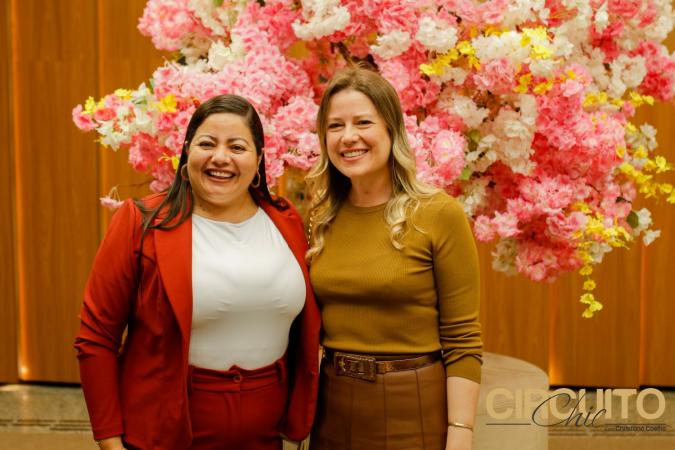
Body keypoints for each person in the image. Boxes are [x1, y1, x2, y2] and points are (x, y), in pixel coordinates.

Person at [75, 94, 320, 450]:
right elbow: (96, 338)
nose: (220, 157)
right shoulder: (141, 222)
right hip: (165, 434)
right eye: (207, 144)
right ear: (187, 152)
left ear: (258, 160)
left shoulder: (286, 220)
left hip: (266, 436)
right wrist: (109, 441)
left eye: (237, 146)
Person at [306, 67, 482, 450]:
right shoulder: (321, 217)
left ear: (391, 129)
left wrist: (461, 432)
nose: (348, 137)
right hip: (332, 408)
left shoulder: (439, 213)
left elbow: (463, 339)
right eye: (335, 126)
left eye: (363, 122)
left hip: (411, 406)